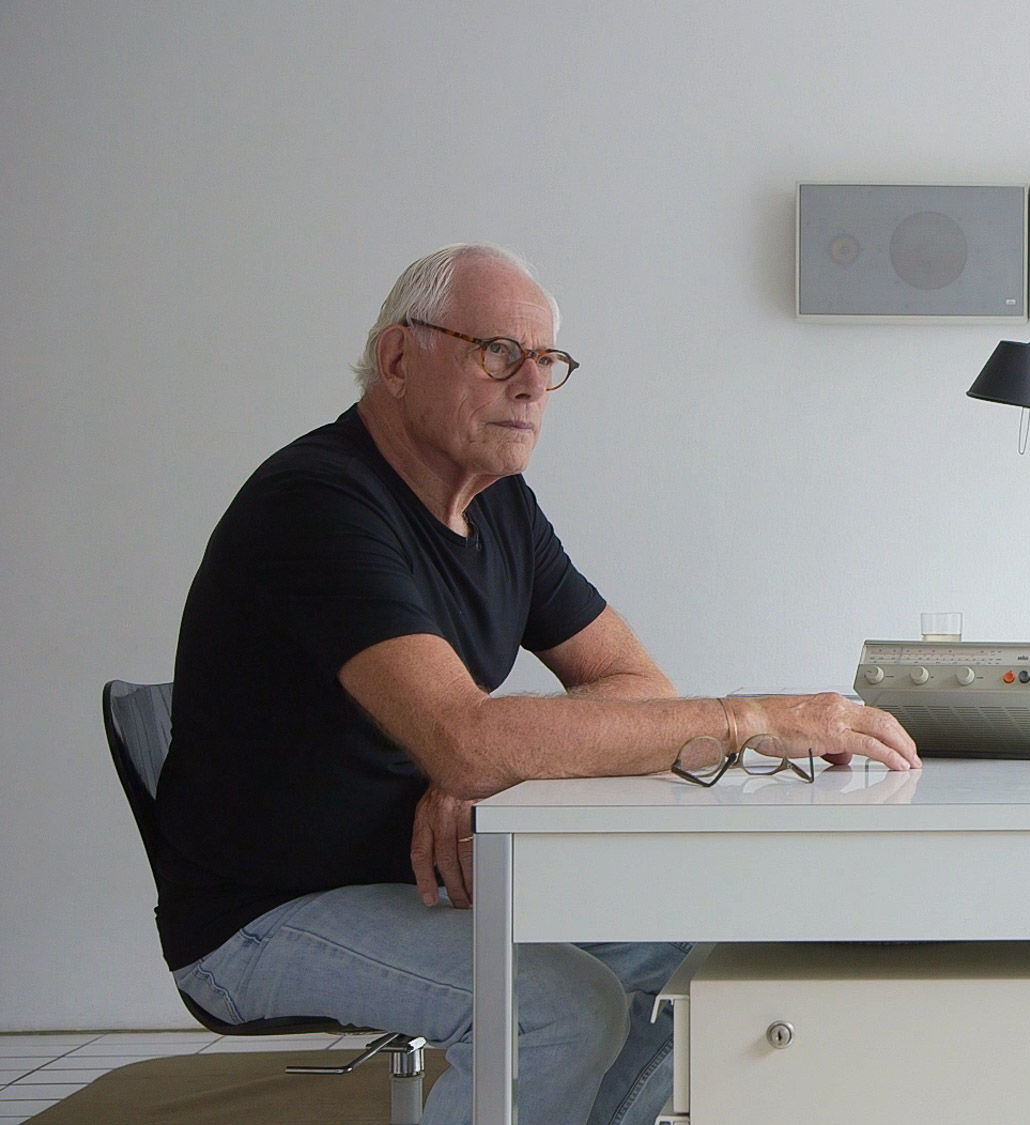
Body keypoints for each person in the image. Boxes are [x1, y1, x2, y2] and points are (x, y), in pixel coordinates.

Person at [152, 243, 920, 1125]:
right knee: (559, 1008)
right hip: (263, 910)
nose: (530, 385)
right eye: (497, 352)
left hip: (420, 878)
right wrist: (748, 718)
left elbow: (632, 680)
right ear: (399, 360)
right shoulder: (319, 504)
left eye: (547, 361)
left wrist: (484, 764)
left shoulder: (498, 502)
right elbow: (468, 736)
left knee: (697, 969)